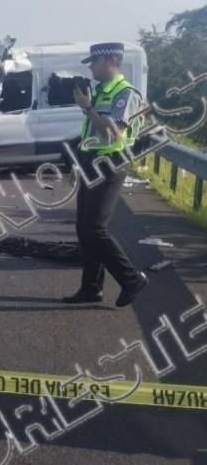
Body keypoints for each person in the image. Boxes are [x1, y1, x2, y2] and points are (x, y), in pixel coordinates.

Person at [66, 42, 148, 308]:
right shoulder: (100, 92)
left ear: (112, 61)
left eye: (94, 62)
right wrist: (78, 164)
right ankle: (91, 288)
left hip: (110, 165)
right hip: (91, 163)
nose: (91, 67)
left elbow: (112, 134)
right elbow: (90, 134)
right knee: (84, 228)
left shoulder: (126, 94)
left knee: (95, 229)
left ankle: (132, 279)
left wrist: (87, 108)